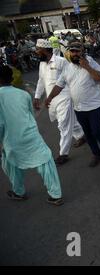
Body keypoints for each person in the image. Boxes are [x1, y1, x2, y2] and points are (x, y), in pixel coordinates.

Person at [0, 65, 63, 206]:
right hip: (30, 134)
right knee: (45, 161)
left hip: (11, 138)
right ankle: (55, 194)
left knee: (12, 164)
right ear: (11, 78)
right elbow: (30, 114)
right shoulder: (23, 94)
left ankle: (19, 192)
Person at [45, 42, 100, 169]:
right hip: (79, 108)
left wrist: (87, 67)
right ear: (69, 53)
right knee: (88, 134)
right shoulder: (68, 67)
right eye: (72, 51)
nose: (75, 54)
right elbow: (59, 85)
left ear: (82, 52)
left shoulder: (90, 62)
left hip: (95, 105)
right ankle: (96, 155)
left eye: (77, 51)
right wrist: (49, 97)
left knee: (97, 131)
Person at [33, 39, 85, 165]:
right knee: (68, 121)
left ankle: (63, 154)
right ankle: (81, 136)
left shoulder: (61, 61)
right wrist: (36, 96)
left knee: (63, 125)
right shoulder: (42, 65)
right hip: (52, 100)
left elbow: (73, 75)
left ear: (45, 49)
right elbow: (41, 81)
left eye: (38, 49)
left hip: (65, 98)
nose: (36, 52)